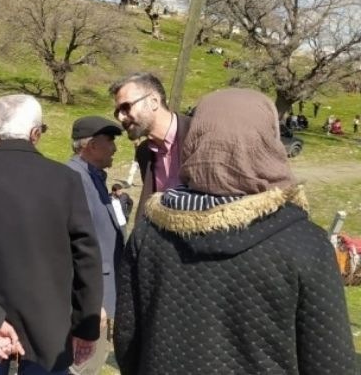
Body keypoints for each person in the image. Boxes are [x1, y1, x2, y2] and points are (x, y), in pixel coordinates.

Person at [114, 88, 356, 374]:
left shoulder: (149, 234)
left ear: (197, 141)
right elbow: (331, 363)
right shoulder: (305, 245)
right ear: (267, 144)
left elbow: (127, 340)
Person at [0, 94, 103, 375]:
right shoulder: (65, 180)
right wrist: (86, 327)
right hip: (47, 329)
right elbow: (86, 257)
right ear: (35, 133)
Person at [65, 116, 125, 375]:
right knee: (79, 367)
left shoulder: (94, 178)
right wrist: (92, 302)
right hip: (89, 302)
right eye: (109, 140)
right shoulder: (74, 179)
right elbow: (76, 247)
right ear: (90, 145)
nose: (114, 147)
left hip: (98, 298)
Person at [109, 73, 191, 222]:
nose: (121, 118)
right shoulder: (144, 152)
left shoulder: (198, 134)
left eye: (126, 107)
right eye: (117, 113)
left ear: (153, 101)